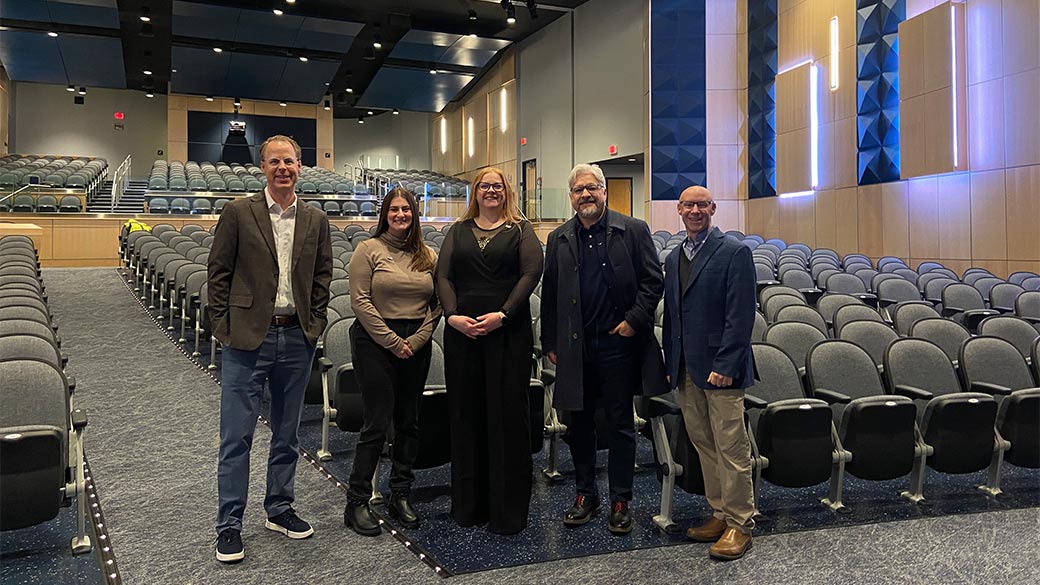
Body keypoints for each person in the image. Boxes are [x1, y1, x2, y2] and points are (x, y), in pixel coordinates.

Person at [208, 135, 333, 563]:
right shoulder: (238, 212)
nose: (283, 168)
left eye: (290, 161)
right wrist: (223, 329)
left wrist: (315, 324)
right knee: (236, 437)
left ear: (300, 166)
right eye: (275, 161)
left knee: (287, 434)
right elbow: (218, 273)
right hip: (247, 339)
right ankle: (229, 525)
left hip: (296, 337)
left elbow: (322, 276)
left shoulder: (316, 218)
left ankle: (279, 509)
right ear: (262, 167)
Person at [541, 163, 667, 535]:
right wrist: (550, 341)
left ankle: (621, 500)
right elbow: (551, 294)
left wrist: (633, 321)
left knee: (620, 424)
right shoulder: (559, 237)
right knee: (579, 425)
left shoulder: (633, 230)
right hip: (575, 346)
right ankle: (585, 494)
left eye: (592, 187)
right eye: (578, 189)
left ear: (604, 191)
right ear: (571, 196)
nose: (585, 194)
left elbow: (652, 282)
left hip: (618, 344)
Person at [435, 167, 543, 534]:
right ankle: (470, 507)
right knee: (466, 415)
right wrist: (452, 316)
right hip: (463, 334)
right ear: (476, 192)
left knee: (507, 417)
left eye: (497, 185)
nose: (491, 190)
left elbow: (531, 274)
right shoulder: (458, 230)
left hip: (507, 333)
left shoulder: (521, 230)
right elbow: (443, 276)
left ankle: (506, 512)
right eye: (484, 185)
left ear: (506, 191)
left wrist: (504, 314)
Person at [661, 185, 757, 560]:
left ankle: (740, 523)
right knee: (704, 444)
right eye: (689, 205)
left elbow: (740, 315)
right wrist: (671, 364)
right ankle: (719, 513)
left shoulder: (734, 251)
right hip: (686, 367)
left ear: (713, 208)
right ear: (679, 210)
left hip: (721, 370)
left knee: (731, 447)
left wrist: (726, 365)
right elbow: (673, 317)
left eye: (702, 204)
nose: (695, 210)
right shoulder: (674, 257)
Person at [343, 187, 441, 536]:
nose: (401, 215)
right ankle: (357, 500)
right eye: (394, 209)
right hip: (374, 342)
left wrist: (416, 340)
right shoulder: (368, 250)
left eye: (407, 209)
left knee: (409, 421)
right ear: (384, 213)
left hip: (416, 343)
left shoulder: (427, 254)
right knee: (377, 422)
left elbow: (437, 304)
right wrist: (393, 342)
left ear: (415, 214)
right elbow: (360, 301)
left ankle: (400, 494)